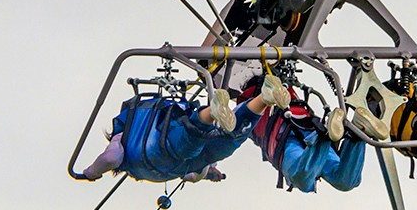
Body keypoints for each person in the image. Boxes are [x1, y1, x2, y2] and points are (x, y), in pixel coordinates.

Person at [73, 74, 292, 182]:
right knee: (227, 139)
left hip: (165, 151)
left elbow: (111, 158)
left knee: (205, 140)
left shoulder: (123, 140)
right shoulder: (128, 138)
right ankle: (265, 97)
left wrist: (90, 173)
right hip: (191, 158)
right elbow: (191, 177)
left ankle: (218, 110)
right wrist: (210, 175)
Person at [245, 81, 366, 192]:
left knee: (301, 178)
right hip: (309, 129)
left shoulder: (249, 106)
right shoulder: (287, 91)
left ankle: (328, 135)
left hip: (288, 140)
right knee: (346, 183)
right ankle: (358, 132)